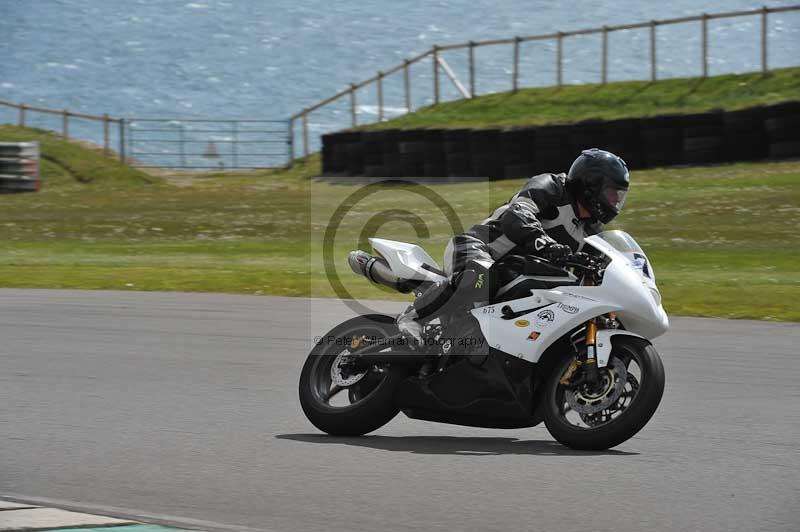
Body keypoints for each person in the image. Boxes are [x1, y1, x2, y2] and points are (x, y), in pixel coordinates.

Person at [397, 148, 630, 344]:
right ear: (591, 185)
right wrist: (545, 244)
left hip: (514, 274)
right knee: (482, 275)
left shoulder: (592, 230)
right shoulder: (552, 188)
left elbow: (598, 266)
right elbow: (517, 215)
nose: (615, 203)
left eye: (618, 197)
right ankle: (413, 317)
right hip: (478, 248)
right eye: (611, 194)